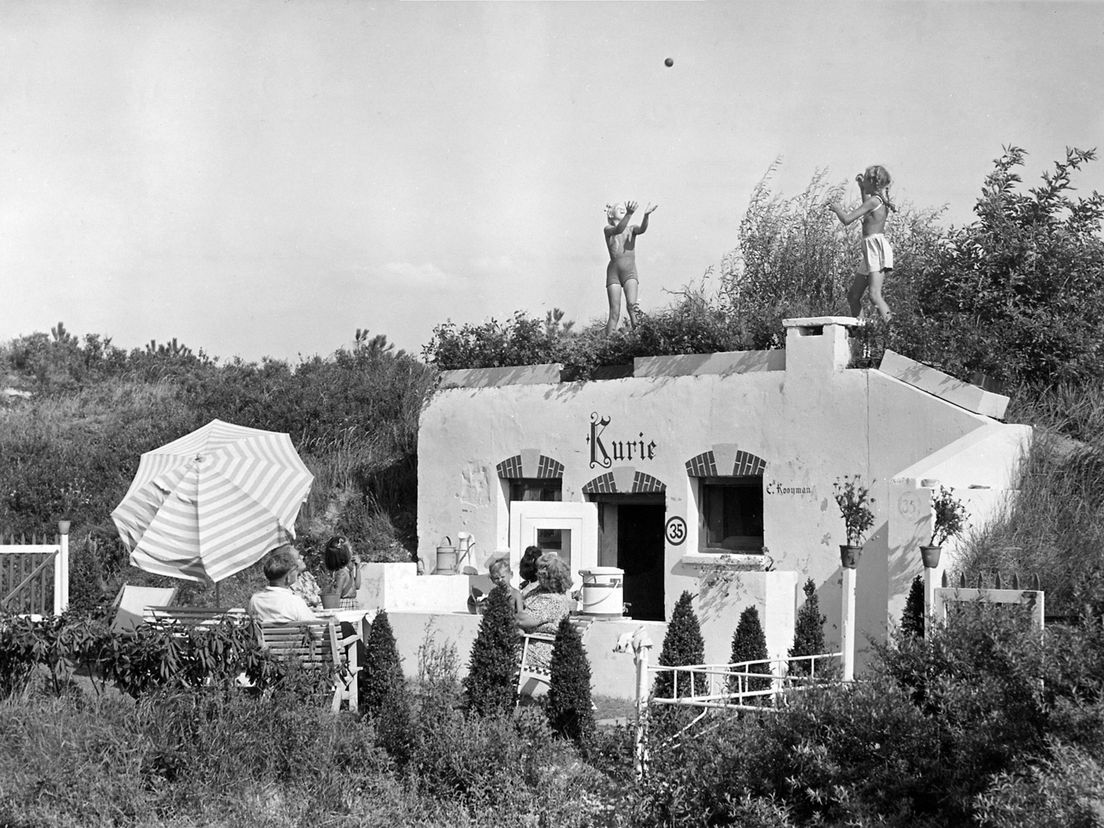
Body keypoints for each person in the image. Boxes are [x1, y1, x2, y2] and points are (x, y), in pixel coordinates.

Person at [827, 165, 896, 322]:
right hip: (869, 250)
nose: (863, 181)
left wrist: (837, 209)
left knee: (874, 295)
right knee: (853, 296)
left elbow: (847, 220)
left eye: (865, 179)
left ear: (872, 182)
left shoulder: (874, 201)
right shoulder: (876, 201)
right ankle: (863, 337)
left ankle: (892, 335)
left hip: (875, 249)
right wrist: (861, 188)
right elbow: (867, 206)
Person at [604, 200, 658, 335]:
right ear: (610, 214)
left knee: (632, 307)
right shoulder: (608, 229)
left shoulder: (631, 228)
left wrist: (646, 216)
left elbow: (642, 229)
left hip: (630, 272)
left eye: (624, 209)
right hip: (614, 273)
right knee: (614, 311)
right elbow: (618, 229)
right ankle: (608, 343)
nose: (622, 209)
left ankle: (639, 337)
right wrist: (628, 214)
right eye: (619, 208)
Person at [515, 552, 574, 671]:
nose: (536, 574)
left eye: (539, 573)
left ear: (548, 577)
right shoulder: (541, 591)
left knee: (495, 648)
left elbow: (522, 620)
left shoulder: (552, 600)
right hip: (527, 642)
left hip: (538, 649)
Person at [247, 544, 318, 623]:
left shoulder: (255, 600)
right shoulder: (295, 602)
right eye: (295, 571)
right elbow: (315, 629)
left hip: (264, 635)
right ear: (288, 578)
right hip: (292, 635)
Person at [322, 535, 361, 609]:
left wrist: (357, 568)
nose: (352, 549)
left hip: (348, 603)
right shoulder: (342, 573)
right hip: (345, 605)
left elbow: (357, 586)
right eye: (350, 549)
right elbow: (337, 595)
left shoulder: (347, 570)